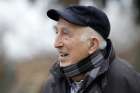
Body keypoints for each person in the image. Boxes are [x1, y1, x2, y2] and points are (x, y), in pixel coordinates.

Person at [43, 5, 140, 93]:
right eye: (57, 32)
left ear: (92, 44)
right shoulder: (52, 85)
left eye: (66, 33)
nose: (56, 44)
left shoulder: (127, 83)